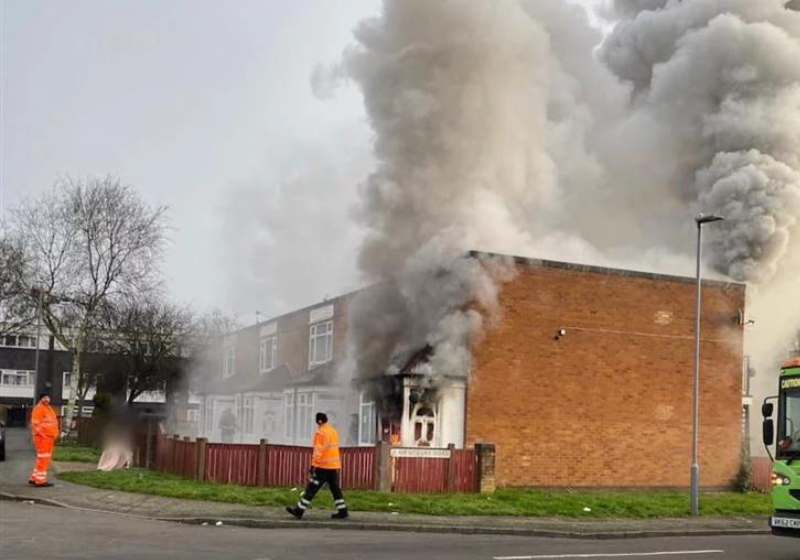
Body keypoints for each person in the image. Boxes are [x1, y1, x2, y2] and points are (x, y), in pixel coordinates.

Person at [286, 412, 348, 520]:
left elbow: (318, 451)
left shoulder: (320, 433)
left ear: (318, 421)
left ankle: (298, 511)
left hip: (323, 466)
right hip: (333, 466)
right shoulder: (333, 431)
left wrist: (313, 465)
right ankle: (342, 511)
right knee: (335, 489)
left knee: (311, 489)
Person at [29, 393, 60, 487]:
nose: (47, 399)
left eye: (48, 397)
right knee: (44, 458)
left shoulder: (47, 408)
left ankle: (34, 477)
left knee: (42, 458)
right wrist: (43, 435)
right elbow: (36, 424)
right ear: (41, 399)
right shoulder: (40, 408)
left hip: (47, 437)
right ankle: (40, 480)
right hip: (43, 438)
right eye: (45, 397)